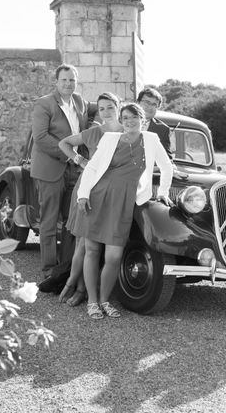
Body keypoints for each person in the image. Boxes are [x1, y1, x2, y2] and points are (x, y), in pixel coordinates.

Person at [70, 103, 174, 319]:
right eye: (125, 118)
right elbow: (92, 167)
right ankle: (92, 302)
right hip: (97, 198)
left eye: (133, 117)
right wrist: (83, 194)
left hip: (125, 202)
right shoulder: (110, 139)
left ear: (142, 119)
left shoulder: (151, 140)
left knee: (114, 256)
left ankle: (105, 300)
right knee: (92, 251)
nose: (128, 121)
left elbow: (166, 166)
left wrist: (163, 192)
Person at [31, 64, 97, 285]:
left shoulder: (79, 102)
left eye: (72, 80)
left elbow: (101, 107)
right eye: (64, 80)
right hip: (51, 167)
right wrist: (70, 156)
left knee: (72, 222)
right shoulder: (44, 103)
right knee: (49, 221)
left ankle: (65, 268)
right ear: (56, 82)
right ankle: (49, 269)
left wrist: (120, 109)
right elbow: (40, 137)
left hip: (74, 170)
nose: (68, 84)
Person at [56, 92, 124, 307]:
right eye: (101, 108)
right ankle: (77, 288)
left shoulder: (128, 132)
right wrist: (81, 160)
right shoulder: (94, 132)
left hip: (113, 193)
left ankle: (84, 288)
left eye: (110, 107)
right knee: (83, 244)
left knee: (99, 246)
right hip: (89, 189)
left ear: (118, 107)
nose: (105, 112)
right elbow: (64, 143)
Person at [137, 87, 172, 157]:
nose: (150, 107)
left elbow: (166, 158)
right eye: (147, 102)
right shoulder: (122, 123)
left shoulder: (163, 129)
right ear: (138, 102)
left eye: (154, 104)